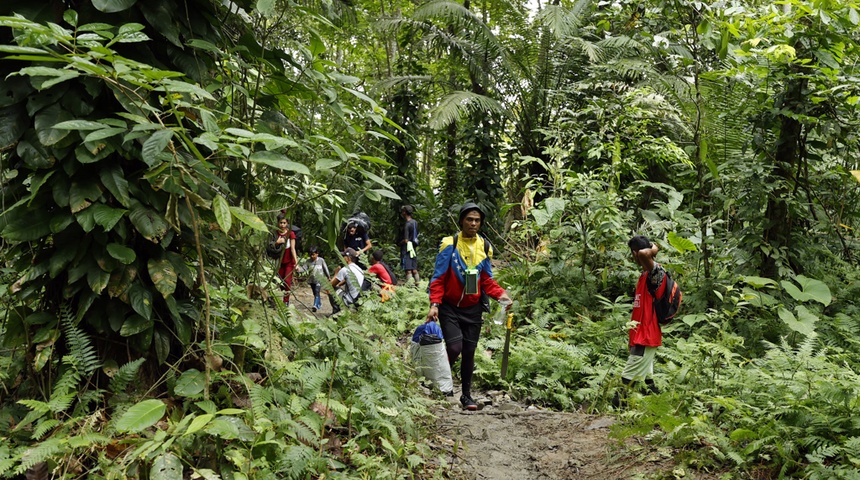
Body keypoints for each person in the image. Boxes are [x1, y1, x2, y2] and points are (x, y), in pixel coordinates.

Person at [425, 203, 512, 410]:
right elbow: (438, 277)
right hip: (450, 306)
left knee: (469, 352)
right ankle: (439, 380)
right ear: (462, 220)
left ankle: (466, 396)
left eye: (477, 220)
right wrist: (434, 303)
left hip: (473, 308)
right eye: (469, 219)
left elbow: (486, 280)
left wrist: (501, 295)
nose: (473, 223)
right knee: (455, 347)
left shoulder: (485, 247)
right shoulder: (450, 244)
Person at [613, 235, 665, 408]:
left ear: (635, 253)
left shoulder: (654, 273)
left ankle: (617, 413)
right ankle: (661, 410)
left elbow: (644, 254)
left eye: (633, 253)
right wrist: (631, 339)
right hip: (641, 336)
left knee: (626, 381)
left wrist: (654, 248)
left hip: (646, 336)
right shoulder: (644, 275)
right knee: (648, 382)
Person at [268, 211, 298, 305]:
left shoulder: (290, 233)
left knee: (287, 281)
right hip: (279, 261)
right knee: (280, 281)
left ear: (287, 223)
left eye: (284, 223)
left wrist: (296, 263)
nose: (282, 225)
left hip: (289, 261)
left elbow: (293, 249)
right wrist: (277, 242)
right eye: (281, 222)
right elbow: (270, 246)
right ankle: (282, 297)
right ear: (278, 223)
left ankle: (286, 301)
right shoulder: (275, 234)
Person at [328, 248, 365, 315]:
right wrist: (339, 284)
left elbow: (330, 286)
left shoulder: (345, 269)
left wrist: (336, 273)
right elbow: (347, 280)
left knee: (331, 290)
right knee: (338, 288)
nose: (341, 258)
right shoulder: (359, 269)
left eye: (343, 256)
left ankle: (336, 312)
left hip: (350, 301)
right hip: (359, 300)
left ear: (348, 258)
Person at [300, 245, 330, 312]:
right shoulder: (308, 261)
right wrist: (298, 269)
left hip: (319, 280)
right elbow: (304, 268)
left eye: (313, 254)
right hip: (312, 280)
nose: (312, 256)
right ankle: (319, 303)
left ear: (317, 253)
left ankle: (315, 305)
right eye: (310, 255)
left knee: (317, 291)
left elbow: (325, 268)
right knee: (315, 293)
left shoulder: (321, 260)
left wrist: (328, 276)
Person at [399, 205, 420, 285]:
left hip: (407, 248)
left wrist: (400, 243)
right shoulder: (415, 222)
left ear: (405, 212)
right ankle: (418, 286)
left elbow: (406, 240)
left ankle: (410, 288)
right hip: (413, 248)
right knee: (414, 269)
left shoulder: (407, 224)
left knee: (408, 269)